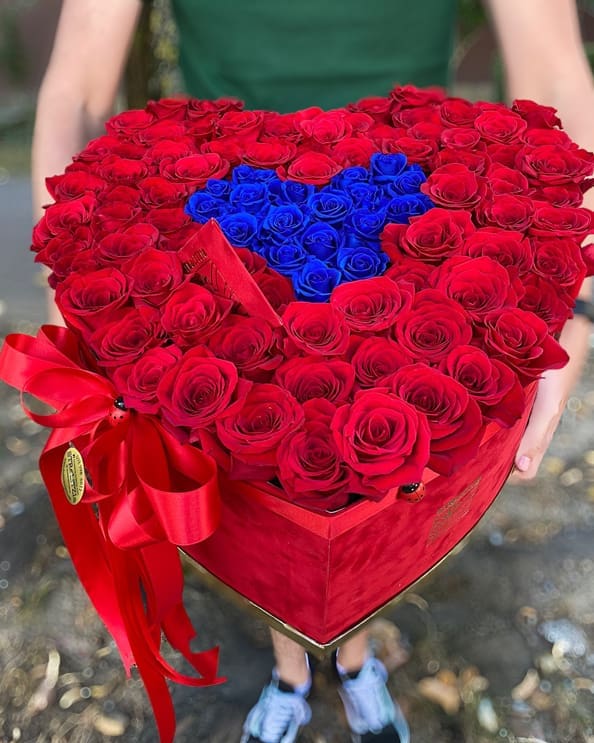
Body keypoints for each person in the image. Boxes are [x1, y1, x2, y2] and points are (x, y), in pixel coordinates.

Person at [32, 1, 594, 741]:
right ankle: (293, 671)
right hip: (218, 222)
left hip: (412, 204)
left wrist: (575, 300)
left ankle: (354, 659)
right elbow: (76, 84)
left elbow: (555, 68)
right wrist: (74, 288)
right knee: (271, 465)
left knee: (371, 473)